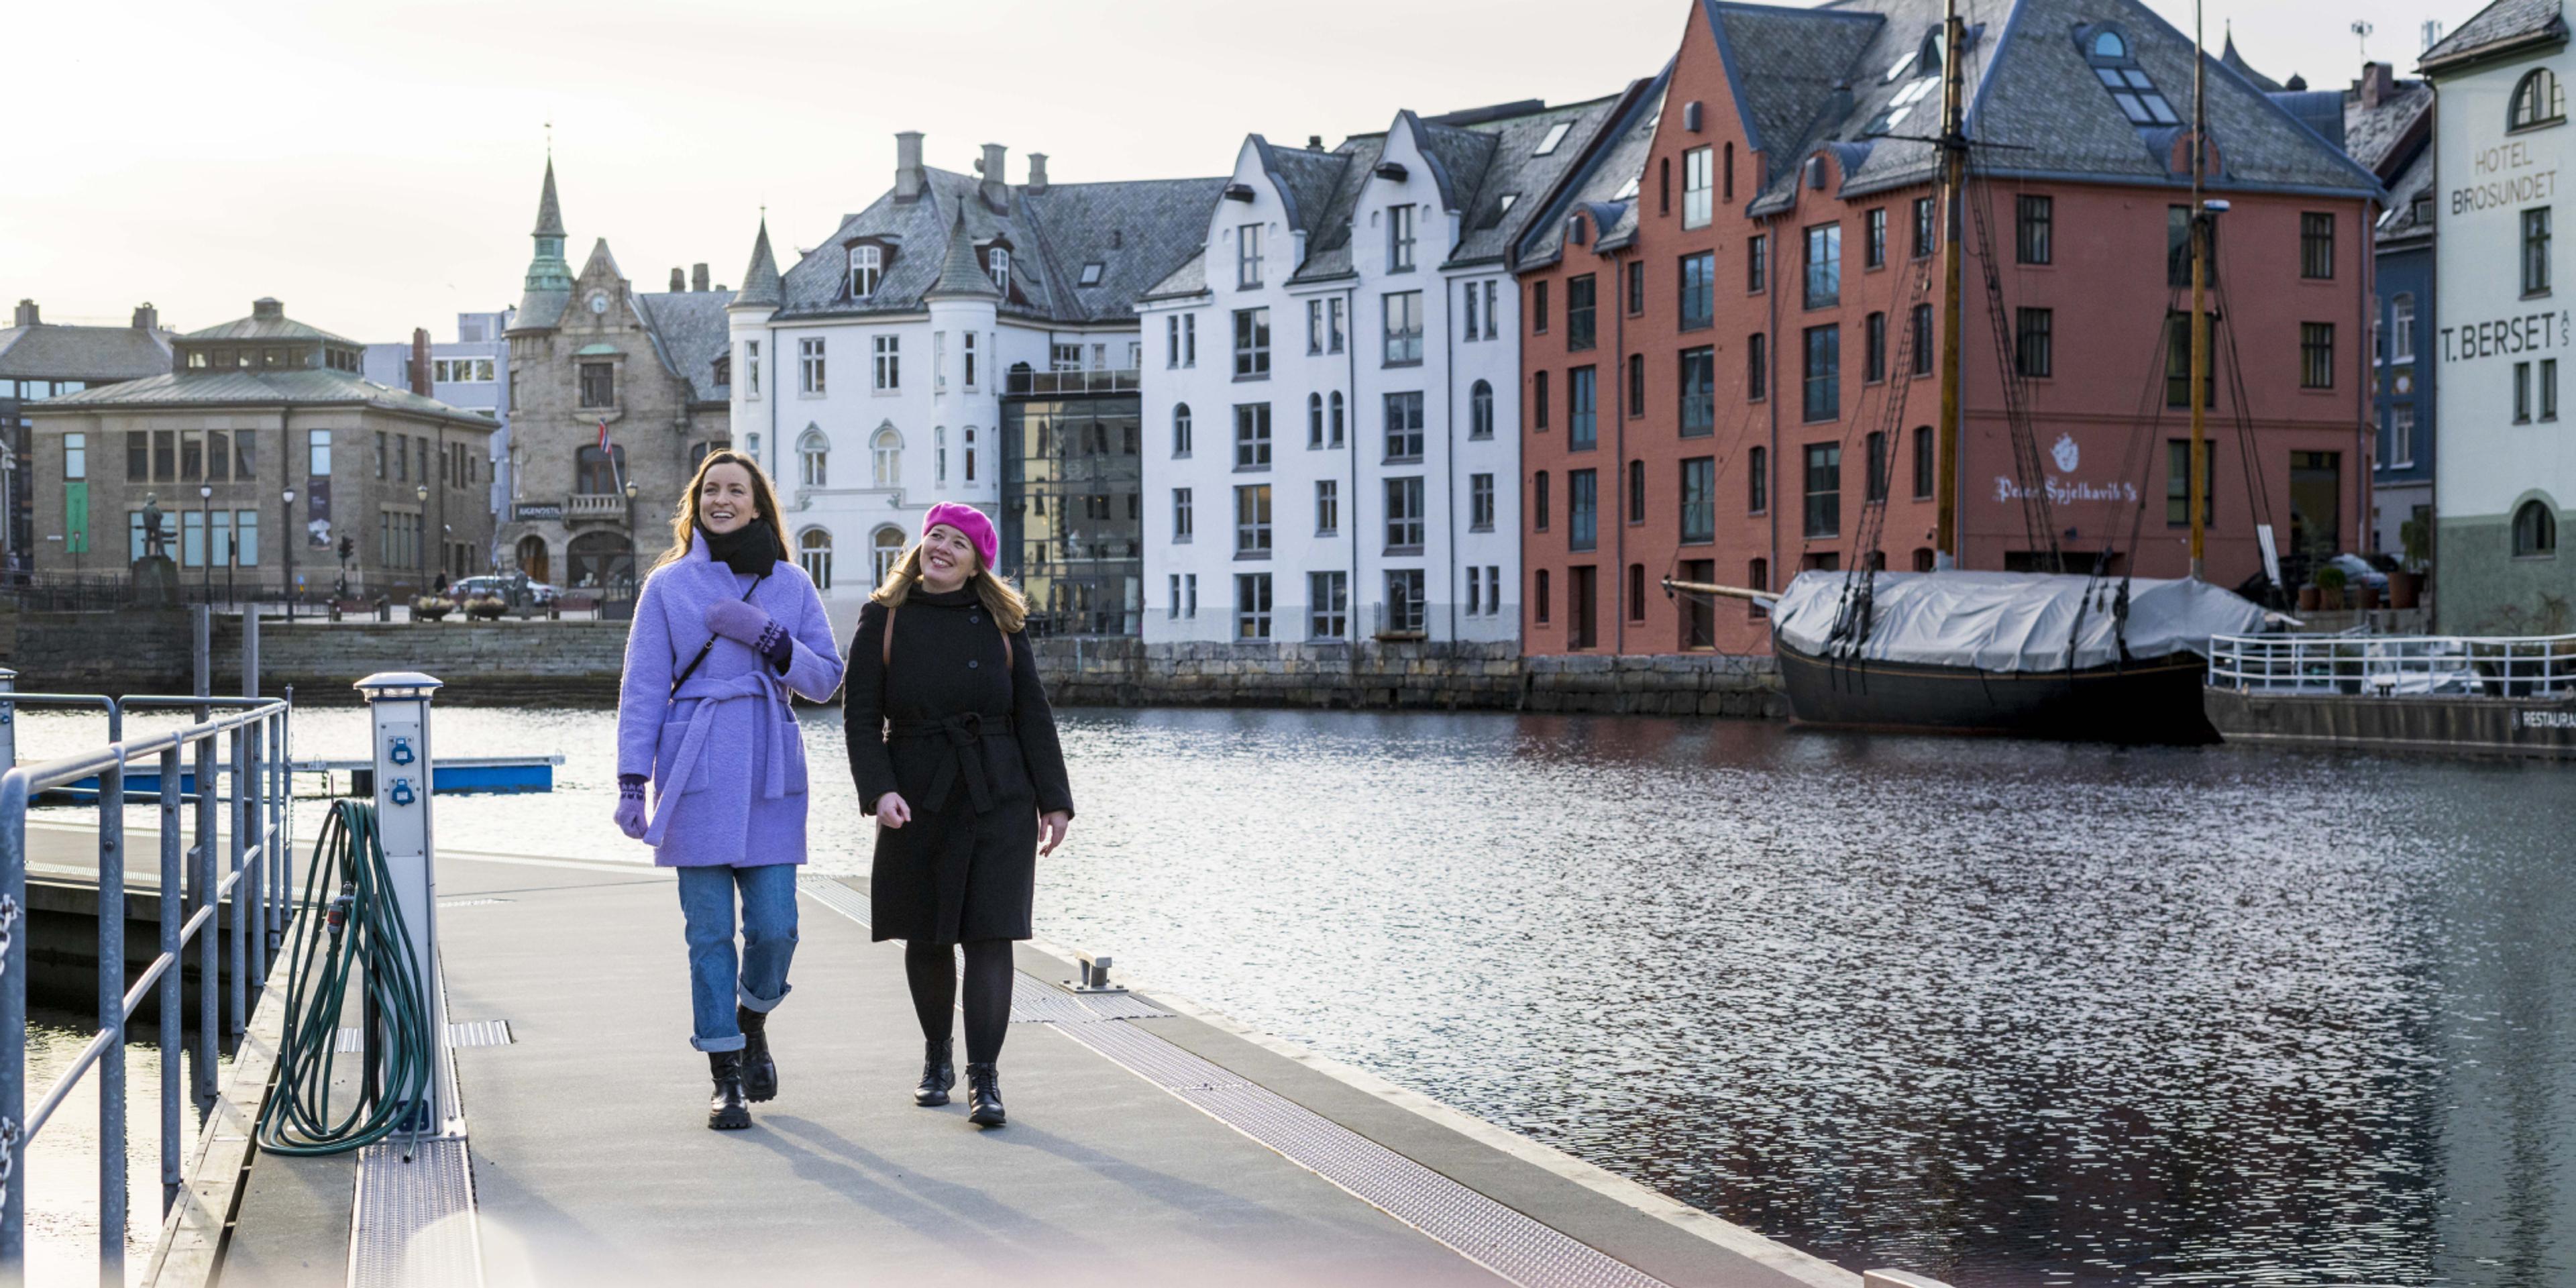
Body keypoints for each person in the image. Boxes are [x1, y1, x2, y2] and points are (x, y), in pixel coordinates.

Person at [612, 450, 844, 1130]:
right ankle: (725, 1077)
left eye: (735, 490)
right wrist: (632, 782)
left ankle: (752, 1019)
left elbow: (827, 679)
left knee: (776, 929)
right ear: (696, 503)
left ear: (757, 503)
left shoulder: (792, 584)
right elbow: (643, 688)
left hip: (770, 769)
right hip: (696, 770)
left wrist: (772, 639)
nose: (722, 500)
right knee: (709, 934)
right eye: (710, 489)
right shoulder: (667, 586)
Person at [844, 503, 1073, 1128]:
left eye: (958, 543)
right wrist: (879, 791)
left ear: (977, 563)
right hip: (917, 795)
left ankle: (985, 1078)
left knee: (991, 935)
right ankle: (936, 1057)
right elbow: (860, 717)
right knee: (926, 934)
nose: (941, 547)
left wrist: (1055, 800)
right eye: (935, 536)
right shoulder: (883, 616)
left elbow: (1033, 713)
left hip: (999, 791)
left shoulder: (1002, 620)